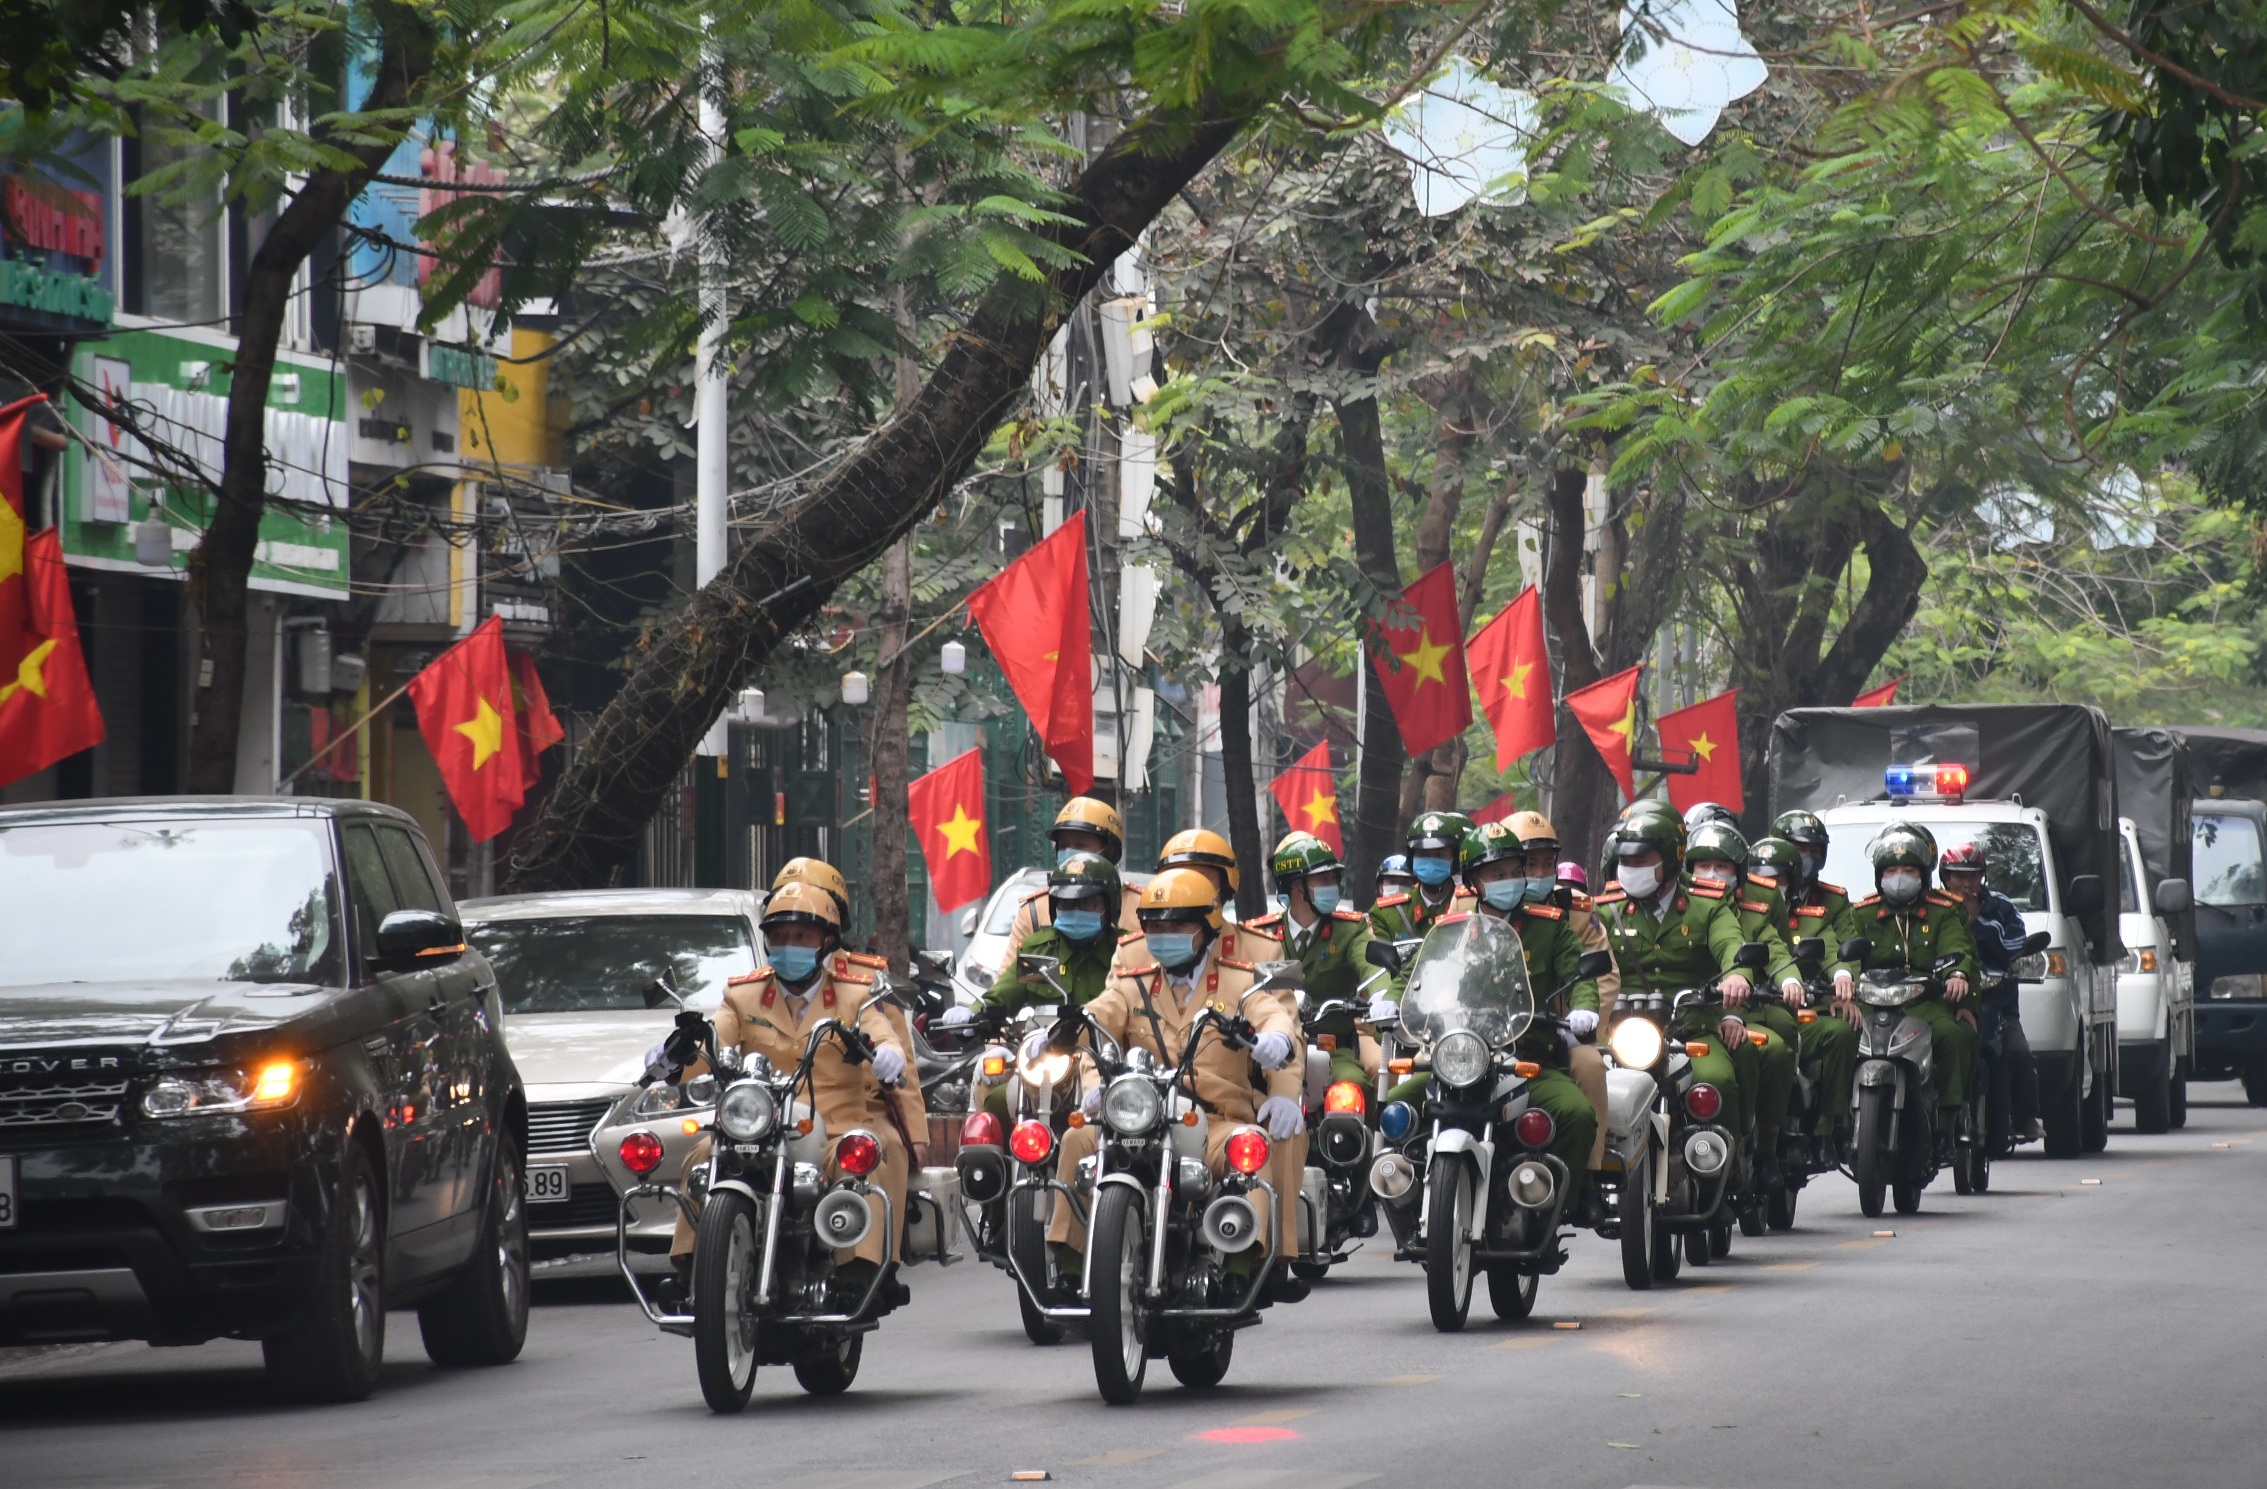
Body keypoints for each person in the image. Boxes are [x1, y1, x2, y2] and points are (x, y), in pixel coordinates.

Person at [1046, 868, 1311, 1297]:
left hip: (1213, 1121)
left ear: (1206, 928)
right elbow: (1099, 1015)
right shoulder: (1134, 985)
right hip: (1143, 1114)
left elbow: (1271, 1011)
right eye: (1155, 926)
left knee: (1251, 1150)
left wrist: (1275, 1038)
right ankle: (1072, 1270)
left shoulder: (1239, 979)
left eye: (1178, 925)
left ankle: (1242, 1272)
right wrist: (1056, 1035)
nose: (1163, 934)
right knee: (1077, 1140)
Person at [661, 881, 915, 1312]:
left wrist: (888, 1055)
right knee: (703, 1155)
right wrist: (672, 1056)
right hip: (758, 1122)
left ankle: (858, 1275)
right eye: (779, 937)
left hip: (834, 1125)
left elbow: (881, 1034)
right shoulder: (743, 995)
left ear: (826, 943)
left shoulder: (855, 994)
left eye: (802, 937)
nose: (788, 946)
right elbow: (711, 1047)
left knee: (862, 1158)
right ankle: (693, 1270)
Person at [1447, 817, 1609, 1225]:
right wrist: (1390, 999)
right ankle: (1407, 1191)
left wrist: (1583, 1007)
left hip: (1531, 1056)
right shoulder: (1454, 929)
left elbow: (1580, 975)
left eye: (1515, 872)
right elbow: (1417, 976)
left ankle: (1566, 1199)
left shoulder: (1549, 926)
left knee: (1577, 1114)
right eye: (1497, 874)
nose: (1513, 880)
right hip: (1463, 1057)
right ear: (1474, 883)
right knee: (1398, 1106)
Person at [1589, 808, 1758, 1152]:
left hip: (1689, 1027)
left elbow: (1730, 944)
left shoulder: (1707, 904)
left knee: (1718, 1079)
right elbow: (1580, 955)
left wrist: (1737, 974)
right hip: (1621, 1032)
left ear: (1671, 857)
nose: (1630, 868)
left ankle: (1724, 1175)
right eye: (1625, 860)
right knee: (1587, 1087)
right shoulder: (1607, 909)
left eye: (1642, 859)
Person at [1840, 822, 1981, 1164]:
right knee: (1837, 1036)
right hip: (1872, 1001)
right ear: (1879, 875)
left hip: (1924, 1002)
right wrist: (1842, 985)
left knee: (1952, 1035)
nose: (1899, 876)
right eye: (1891, 870)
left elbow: (1959, 949)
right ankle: (1834, 1124)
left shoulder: (1945, 911)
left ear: (1924, 874)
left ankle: (1948, 1126)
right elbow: (1845, 955)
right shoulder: (1861, 914)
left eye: (1908, 870)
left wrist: (1957, 977)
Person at [773, 857, 929, 1161]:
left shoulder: (868, 978)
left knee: (879, 1158)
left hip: (860, 1111)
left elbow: (901, 1059)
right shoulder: (769, 979)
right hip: (775, 1113)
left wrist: (917, 1136)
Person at [1683, 821, 1807, 1188]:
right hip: (1679, 1012)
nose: (1712, 874)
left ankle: (1760, 1146)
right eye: (1703, 866)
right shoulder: (1680, 906)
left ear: (1739, 872)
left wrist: (1789, 980)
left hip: (1743, 1006)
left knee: (1773, 1046)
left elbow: (1772, 947)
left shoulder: (1755, 906)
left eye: (1722, 867)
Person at [1748, 833, 1861, 1167]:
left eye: (1778, 879)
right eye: (1760, 878)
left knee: (1840, 1032)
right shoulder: (1739, 912)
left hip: (1801, 1009)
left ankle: (1825, 1127)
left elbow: (1826, 946)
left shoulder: (1814, 910)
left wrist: (1842, 978)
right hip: (1747, 1012)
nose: (1769, 885)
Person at [1248, 832, 1376, 1086]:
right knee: (1251, 1098)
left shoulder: (1351, 929)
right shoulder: (1260, 934)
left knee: (1355, 1088)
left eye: (1334, 878)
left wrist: (1380, 993)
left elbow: (1370, 961)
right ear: (1298, 888)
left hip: (1333, 1048)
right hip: (1274, 1050)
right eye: (1324, 879)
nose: (1333, 886)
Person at [1939, 841, 2042, 1145]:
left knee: (2019, 1053)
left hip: (1997, 1004)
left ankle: (2024, 1116)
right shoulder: (1934, 907)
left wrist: (1976, 922)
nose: (1966, 884)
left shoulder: (2002, 907)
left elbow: (2014, 945)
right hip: (1948, 1003)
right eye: (1959, 876)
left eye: (1973, 876)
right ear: (1945, 877)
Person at [1003, 798, 1143, 960]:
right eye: (1063, 846)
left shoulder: (1141, 907)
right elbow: (1011, 975)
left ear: (1110, 851)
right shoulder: (1034, 911)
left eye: (1080, 845)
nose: (1069, 852)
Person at [1369, 811, 1478, 941]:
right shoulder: (1387, 912)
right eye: (1423, 854)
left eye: (1439, 855)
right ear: (1411, 859)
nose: (1431, 861)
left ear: (1455, 860)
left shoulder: (1472, 905)